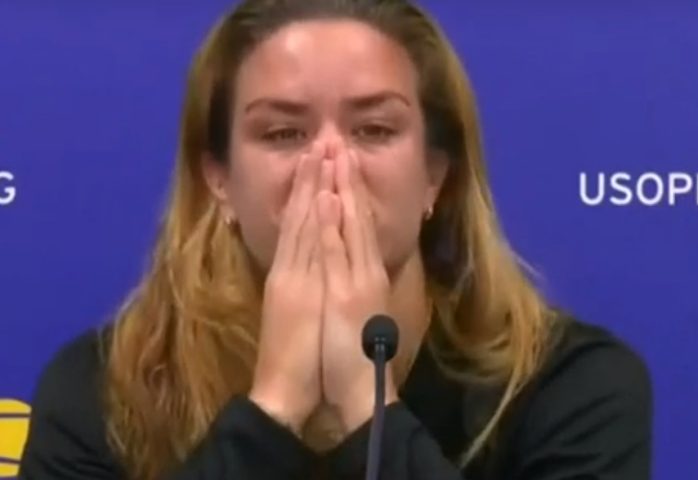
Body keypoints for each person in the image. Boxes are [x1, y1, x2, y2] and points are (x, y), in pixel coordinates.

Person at [18, 0, 653, 479]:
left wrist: (364, 402)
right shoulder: (103, 392)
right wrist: (273, 408)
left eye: (374, 130)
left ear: (435, 175)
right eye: (283, 134)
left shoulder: (569, 387)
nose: (330, 167)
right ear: (219, 180)